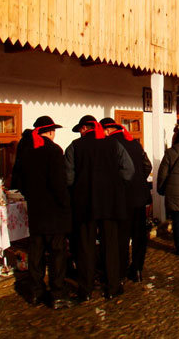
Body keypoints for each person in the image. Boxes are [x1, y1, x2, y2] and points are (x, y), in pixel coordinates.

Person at [65, 115, 134, 301]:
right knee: (110, 244)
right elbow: (129, 170)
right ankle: (112, 287)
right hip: (110, 202)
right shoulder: (113, 145)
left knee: (85, 246)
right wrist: (115, 184)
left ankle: (85, 289)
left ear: (84, 128)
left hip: (84, 202)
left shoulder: (74, 147)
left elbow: (68, 178)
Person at [13, 116, 72, 309]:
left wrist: (32, 196)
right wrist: (65, 204)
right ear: (51, 132)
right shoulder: (54, 151)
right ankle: (57, 294)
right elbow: (59, 184)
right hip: (54, 211)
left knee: (36, 253)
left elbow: (18, 182)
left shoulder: (26, 151)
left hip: (36, 211)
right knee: (57, 254)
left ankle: (36, 292)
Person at [99, 118, 152, 282]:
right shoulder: (135, 143)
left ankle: (121, 270)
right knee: (139, 236)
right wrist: (139, 180)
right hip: (140, 196)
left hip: (122, 198)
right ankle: (137, 269)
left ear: (107, 130)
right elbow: (147, 165)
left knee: (121, 236)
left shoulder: (109, 145)